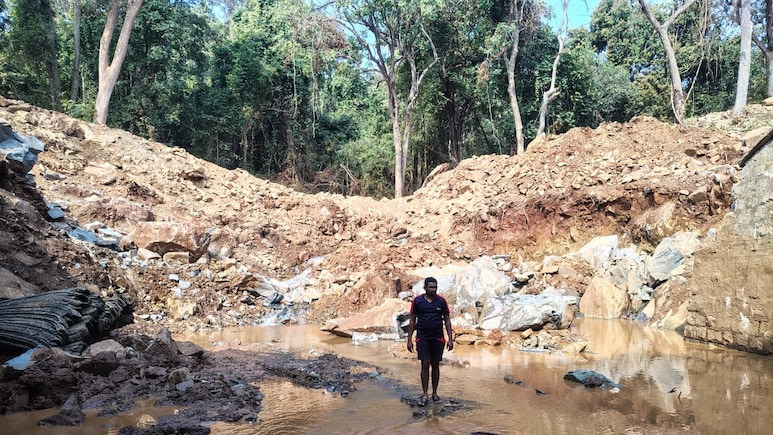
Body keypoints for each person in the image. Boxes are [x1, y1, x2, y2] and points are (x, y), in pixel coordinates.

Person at [406, 276, 454, 406]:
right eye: (431, 287)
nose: (433, 289)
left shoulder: (441, 301)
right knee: (425, 364)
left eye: (435, 287)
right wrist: (409, 339)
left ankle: (435, 393)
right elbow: (412, 320)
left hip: (438, 337)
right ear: (425, 288)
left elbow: (447, 320)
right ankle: (425, 394)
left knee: (436, 365)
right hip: (423, 337)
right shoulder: (417, 301)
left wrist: (450, 339)